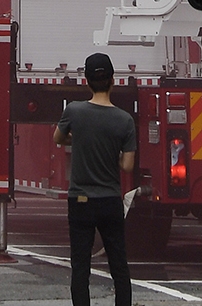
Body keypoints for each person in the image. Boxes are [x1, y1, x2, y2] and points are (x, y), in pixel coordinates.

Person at [54, 51, 136, 306]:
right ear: (113, 81)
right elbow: (127, 166)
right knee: (119, 265)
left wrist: (79, 140)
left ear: (87, 82)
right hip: (110, 200)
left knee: (80, 266)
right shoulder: (125, 120)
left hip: (79, 200)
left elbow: (58, 138)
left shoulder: (75, 112)